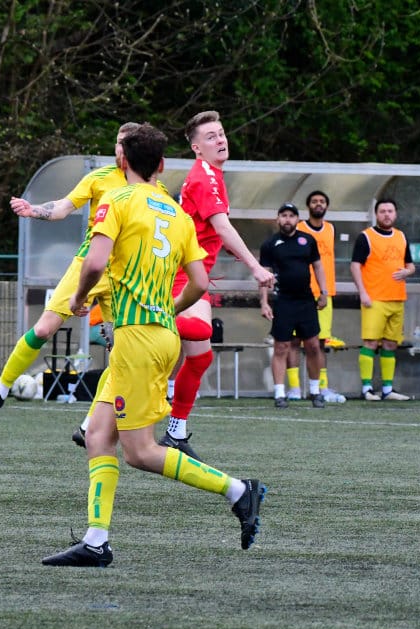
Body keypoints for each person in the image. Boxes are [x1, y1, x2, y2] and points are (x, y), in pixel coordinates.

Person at [41, 123, 266, 567]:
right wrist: (167, 309)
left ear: (123, 161)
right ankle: (96, 541)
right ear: (162, 165)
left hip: (137, 339)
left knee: (140, 452)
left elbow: (95, 263)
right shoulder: (177, 214)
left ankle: (239, 490)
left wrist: (79, 297)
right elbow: (199, 281)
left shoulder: (117, 201)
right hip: (160, 334)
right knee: (97, 436)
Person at [0, 122, 170, 438]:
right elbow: (63, 207)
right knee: (44, 329)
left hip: (124, 275)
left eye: (126, 143)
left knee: (121, 352)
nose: (120, 149)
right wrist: (34, 210)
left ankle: (88, 424)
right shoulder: (99, 178)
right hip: (89, 262)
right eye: (117, 142)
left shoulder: (156, 192)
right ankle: (0, 391)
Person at [159, 111, 275, 456]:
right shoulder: (205, 177)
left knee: (198, 357)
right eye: (211, 137)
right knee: (194, 336)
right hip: (183, 275)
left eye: (221, 133)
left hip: (193, 273)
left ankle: (176, 431)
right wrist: (255, 267)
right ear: (196, 147)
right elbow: (222, 227)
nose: (220, 140)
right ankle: (143, 318)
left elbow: (208, 228)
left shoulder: (210, 175)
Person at [259, 202, 329, 409]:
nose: (287, 219)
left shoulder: (308, 240)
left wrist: (324, 292)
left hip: (306, 301)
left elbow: (318, 267)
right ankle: (280, 393)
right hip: (283, 301)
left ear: (297, 219)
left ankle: (315, 391)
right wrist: (264, 302)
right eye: (284, 215)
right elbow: (264, 275)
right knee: (281, 347)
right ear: (278, 219)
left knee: (313, 345)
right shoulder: (270, 244)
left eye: (291, 215)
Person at [350, 198, 416, 401]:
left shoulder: (401, 236)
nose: (387, 214)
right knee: (370, 342)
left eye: (390, 211)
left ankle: (387, 389)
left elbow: (411, 265)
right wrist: (363, 292)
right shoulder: (366, 237)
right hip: (375, 299)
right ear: (376, 214)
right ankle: (367, 388)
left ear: (395, 214)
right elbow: (355, 265)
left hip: (397, 298)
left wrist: (407, 272)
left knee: (390, 344)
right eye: (382, 211)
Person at [289, 189, 347, 402]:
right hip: (300, 293)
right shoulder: (299, 228)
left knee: (320, 342)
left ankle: (322, 387)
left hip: (324, 293)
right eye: (314, 201)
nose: (318, 204)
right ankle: (294, 388)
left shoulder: (330, 229)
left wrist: (324, 290)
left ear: (327, 206)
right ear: (308, 206)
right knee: (294, 341)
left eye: (322, 201)